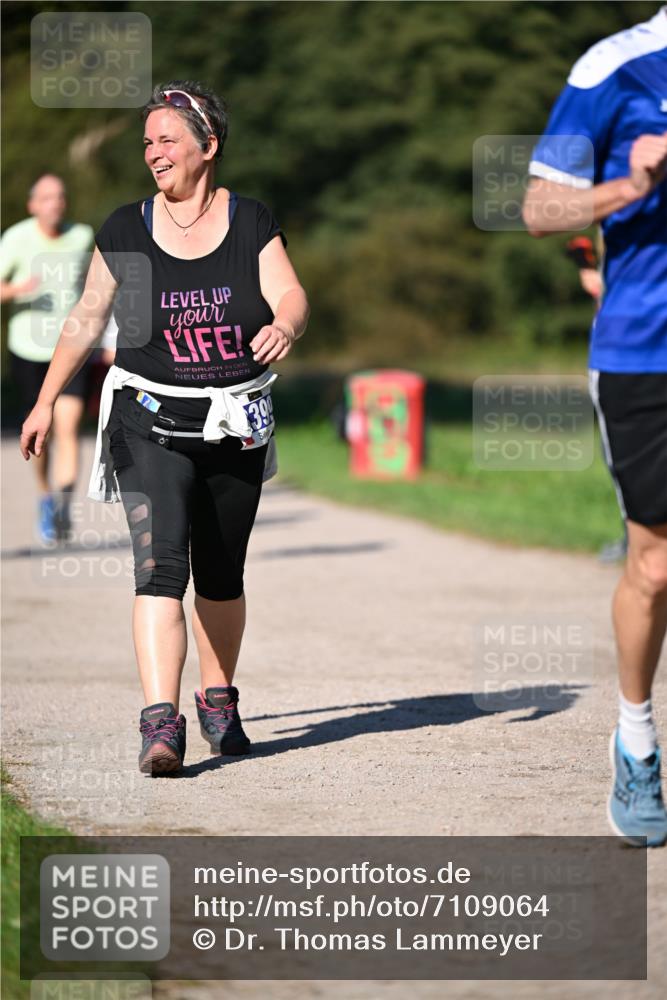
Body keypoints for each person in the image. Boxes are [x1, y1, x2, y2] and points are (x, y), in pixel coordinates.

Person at [19, 81, 310, 776]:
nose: (153, 152)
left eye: (167, 139)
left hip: (235, 423)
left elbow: (291, 292)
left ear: (207, 146)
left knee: (220, 575)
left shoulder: (250, 221)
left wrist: (284, 325)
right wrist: (45, 397)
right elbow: (89, 316)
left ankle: (217, 697)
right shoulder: (125, 227)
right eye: (147, 142)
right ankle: (161, 723)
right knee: (159, 571)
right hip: (148, 419)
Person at [523, 6, 667, 846]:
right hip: (642, 354)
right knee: (652, 565)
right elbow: (540, 209)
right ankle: (636, 739)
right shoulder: (612, 69)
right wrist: (632, 186)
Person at [0, 174, 113, 543]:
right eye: (47, 198)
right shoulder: (16, 239)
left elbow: (99, 291)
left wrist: (110, 336)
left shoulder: (82, 236)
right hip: (27, 350)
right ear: (33, 205)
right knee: (41, 434)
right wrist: (18, 289)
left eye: (61, 197)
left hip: (72, 350)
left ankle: (65, 504)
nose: (55, 203)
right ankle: (46, 496)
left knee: (67, 429)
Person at [564, 234, 628, 564]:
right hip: (615, 362)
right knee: (620, 459)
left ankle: (636, 539)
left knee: (625, 460)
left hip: (635, 364)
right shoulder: (611, 259)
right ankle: (633, 536)